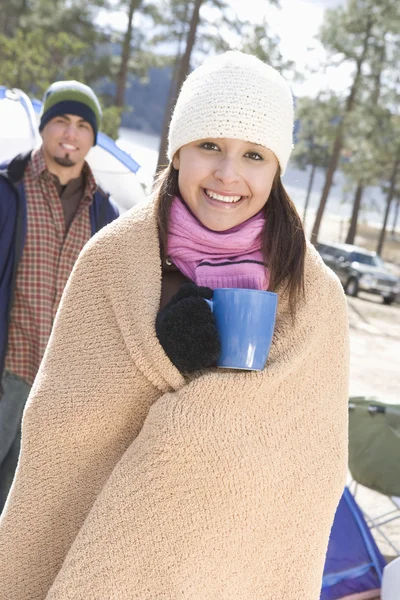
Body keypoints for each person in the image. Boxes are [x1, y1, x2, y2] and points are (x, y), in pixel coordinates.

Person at [0, 52, 349, 599]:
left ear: (276, 168)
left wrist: (206, 418)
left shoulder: (315, 297)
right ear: (178, 150)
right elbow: (60, 440)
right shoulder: (112, 261)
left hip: (231, 575)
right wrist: (167, 363)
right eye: (210, 145)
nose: (228, 175)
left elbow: (311, 471)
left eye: (254, 154)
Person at [0, 80, 119, 510]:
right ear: (45, 127)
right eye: (62, 121)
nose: (71, 134)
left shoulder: (106, 215)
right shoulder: (5, 188)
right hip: (5, 376)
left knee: (18, 511)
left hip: (58, 393)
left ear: (93, 137)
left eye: (83, 125)